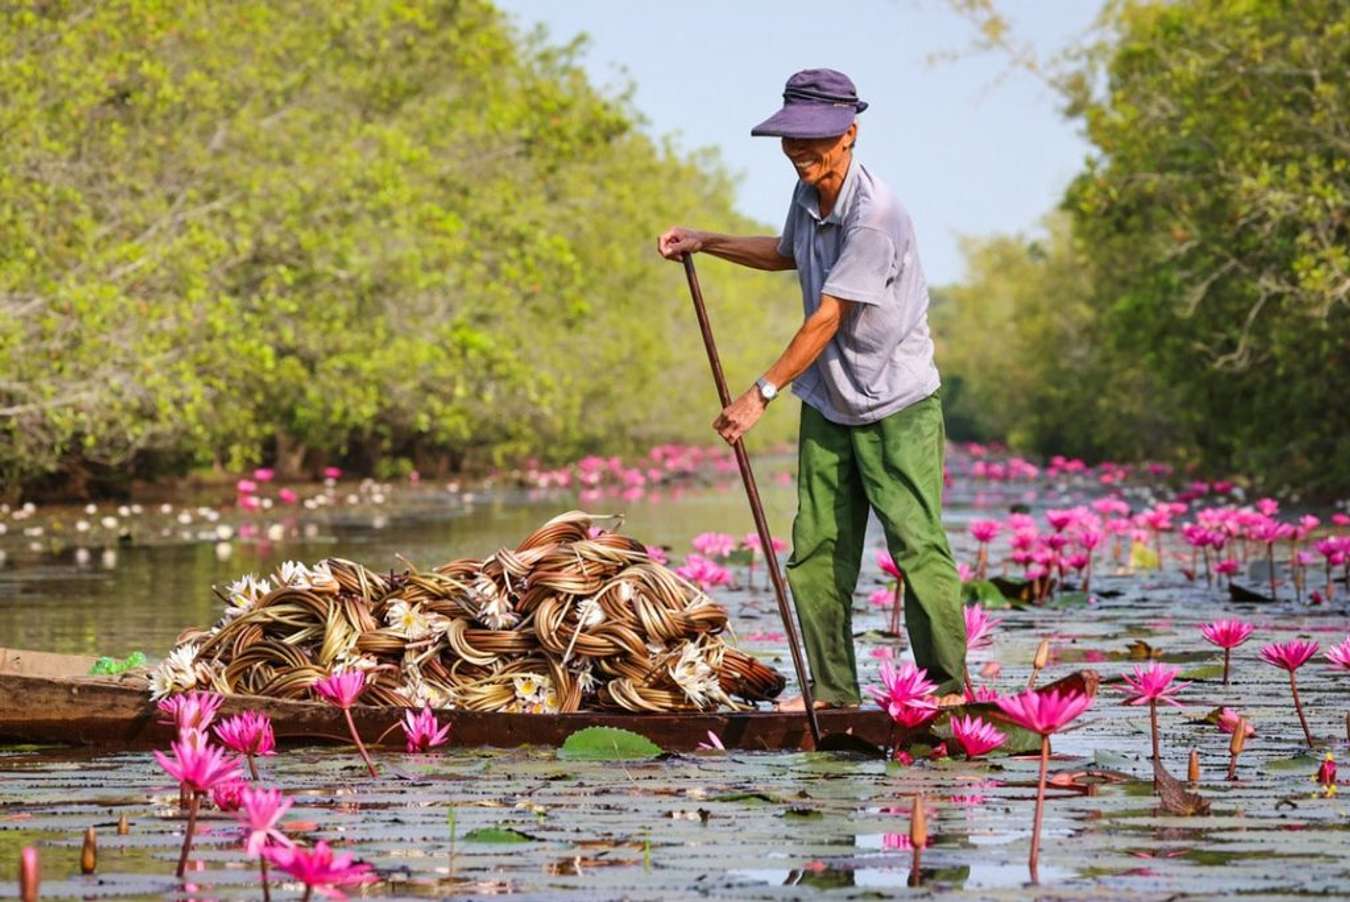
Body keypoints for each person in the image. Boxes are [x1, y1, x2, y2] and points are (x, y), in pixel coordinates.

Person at [657, 68, 966, 708]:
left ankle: (948, 692)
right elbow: (784, 251)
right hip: (830, 401)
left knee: (916, 546)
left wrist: (759, 394)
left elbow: (828, 315)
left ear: (849, 134)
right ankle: (831, 692)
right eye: (791, 138)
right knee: (816, 551)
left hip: (896, 405)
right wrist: (706, 241)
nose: (800, 151)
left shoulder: (875, 215)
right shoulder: (807, 195)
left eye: (814, 139)